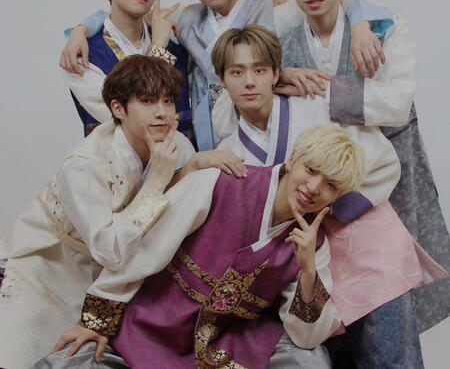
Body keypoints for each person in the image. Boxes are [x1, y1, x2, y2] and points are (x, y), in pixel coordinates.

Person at [35, 125, 447, 369]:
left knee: (310, 362)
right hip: (154, 321)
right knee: (64, 362)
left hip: (224, 339)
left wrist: (307, 270)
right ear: (293, 160)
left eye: (330, 186)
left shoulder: (313, 241)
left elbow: (305, 336)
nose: (313, 188)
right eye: (310, 170)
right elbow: (145, 250)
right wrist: (97, 319)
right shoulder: (221, 182)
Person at [277, 0, 450, 367]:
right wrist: (279, 76)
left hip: (385, 181)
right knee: (333, 300)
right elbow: (242, 62)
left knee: (389, 298)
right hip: (321, 188)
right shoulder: (284, 32)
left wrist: (320, 88)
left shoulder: (382, 28)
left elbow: (395, 102)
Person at [60, 0, 393, 150]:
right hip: (200, 142)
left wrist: (360, 24)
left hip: (263, 135)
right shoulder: (187, 20)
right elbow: (131, 10)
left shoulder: (274, 12)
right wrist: (80, 29)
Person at [0, 55, 198, 369]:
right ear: (117, 108)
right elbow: (109, 248)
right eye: (148, 101)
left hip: (105, 274)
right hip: (49, 261)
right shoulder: (85, 163)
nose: (162, 112)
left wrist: (198, 166)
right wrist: (157, 180)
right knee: (20, 353)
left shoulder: (177, 146)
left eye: (168, 100)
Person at [213, 25, 399, 224]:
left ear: (276, 74)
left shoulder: (316, 107)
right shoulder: (227, 152)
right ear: (222, 80)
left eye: (259, 70)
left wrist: (330, 210)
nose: (249, 81)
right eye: (237, 72)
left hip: (326, 233)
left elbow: (384, 162)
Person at [62, 0, 194, 140]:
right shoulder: (83, 53)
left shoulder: (174, 44)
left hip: (180, 156)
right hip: (113, 159)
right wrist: (157, 49)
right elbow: (129, 116)